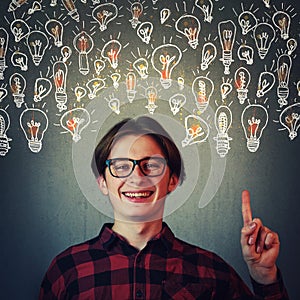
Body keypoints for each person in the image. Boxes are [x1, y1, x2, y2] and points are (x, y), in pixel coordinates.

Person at [39, 116, 289, 299]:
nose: (137, 177)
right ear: (103, 182)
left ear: (173, 180)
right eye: (122, 166)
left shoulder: (211, 271)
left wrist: (264, 276)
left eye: (151, 165)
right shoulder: (67, 270)